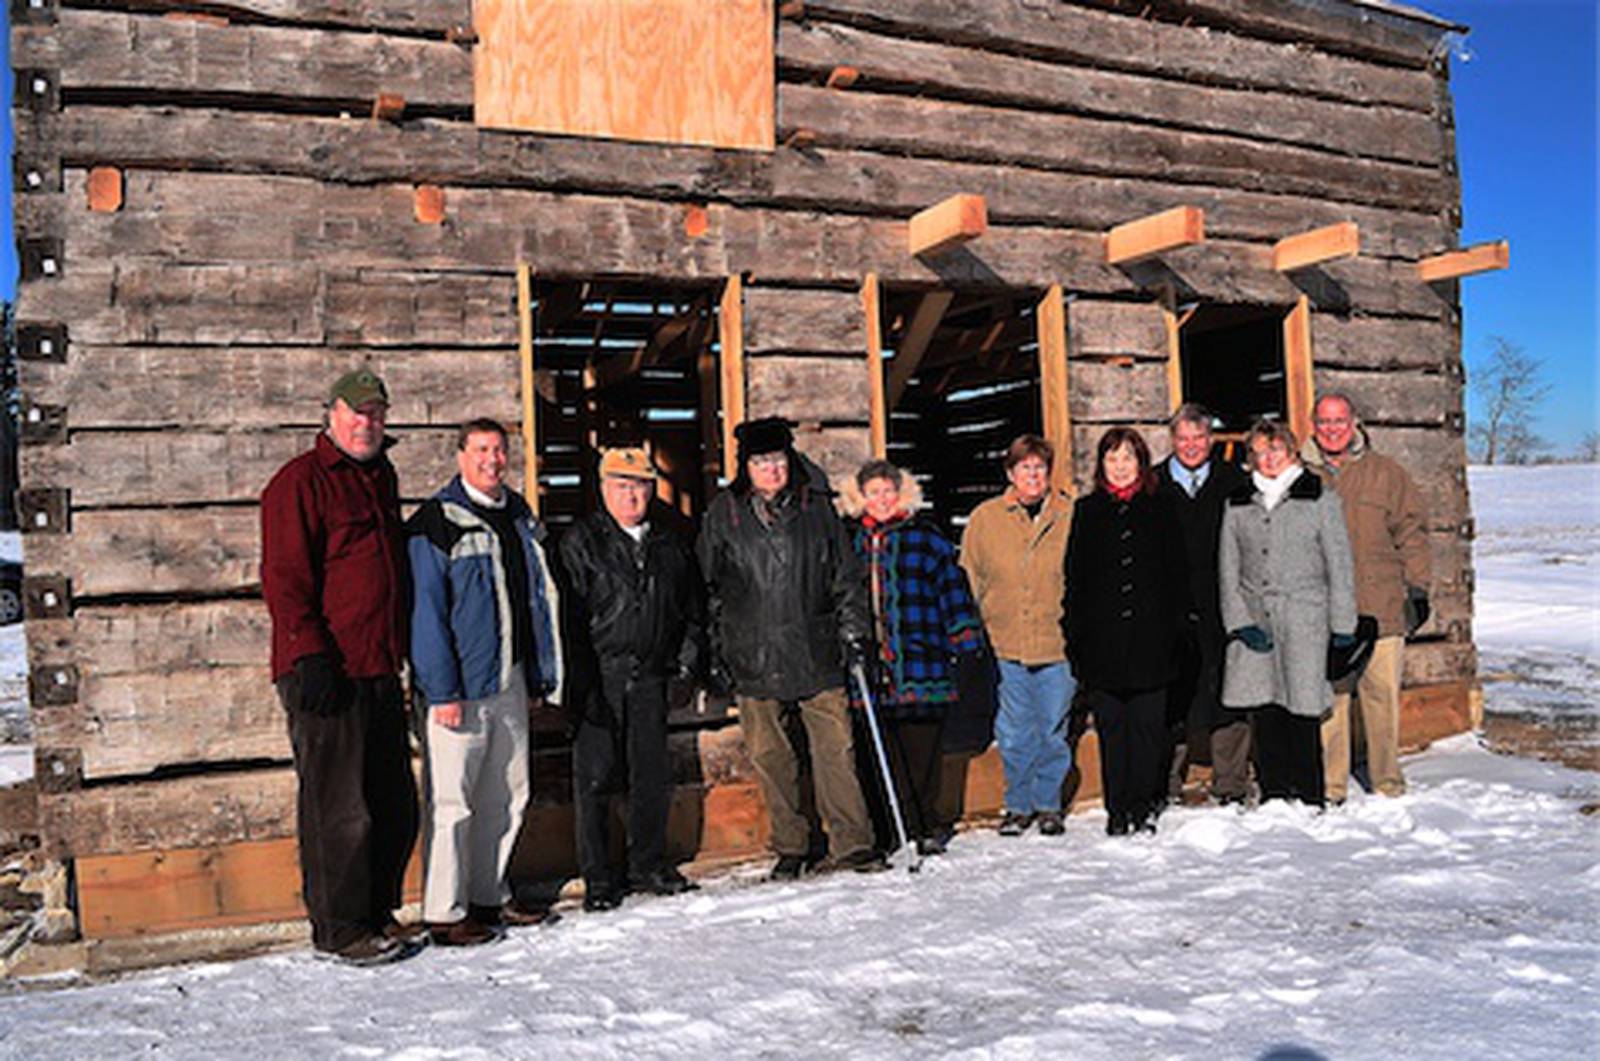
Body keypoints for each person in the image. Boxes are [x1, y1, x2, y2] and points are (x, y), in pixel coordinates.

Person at [260, 368, 420, 966]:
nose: (366, 423)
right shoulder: (298, 483)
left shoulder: (380, 478)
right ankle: (339, 927)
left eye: (376, 414)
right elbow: (283, 578)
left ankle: (378, 913)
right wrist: (308, 655)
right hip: (327, 671)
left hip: (378, 666)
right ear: (330, 414)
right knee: (338, 808)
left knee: (393, 802)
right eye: (356, 413)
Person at [697, 418, 884, 879]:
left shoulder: (816, 509)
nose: (772, 470)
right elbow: (707, 590)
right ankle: (792, 846)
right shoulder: (724, 514)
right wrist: (715, 654)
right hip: (753, 653)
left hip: (817, 649)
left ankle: (853, 843)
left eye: (778, 460)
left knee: (835, 751)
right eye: (762, 462)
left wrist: (856, 634)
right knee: (772, 759)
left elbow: (846, 580)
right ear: (747, 467)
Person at [408, 418, 564, 945]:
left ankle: (488, 895)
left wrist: (540, 674)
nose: (491, 460)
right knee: (453, 802)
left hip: (511, 676)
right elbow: (426, 613)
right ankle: (444, 912)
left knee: (508, 793)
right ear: (460, 456)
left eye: (498, 451)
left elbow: (536, 601)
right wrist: (442, 690)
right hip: (462, 687)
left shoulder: (519, 515)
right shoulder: (437, 521)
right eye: (480, 450)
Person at [560, 447, 706, 911]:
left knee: (650, 777)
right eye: (622, 485)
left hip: (650, 676)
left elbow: (694, 612)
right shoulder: (581, 542)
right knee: (596, 779)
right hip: (601, 675)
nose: (632, 495)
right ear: (603, 488)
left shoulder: (670, 545)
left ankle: (646, 864)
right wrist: (579, 683)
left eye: (640, 485)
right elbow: (567, 619)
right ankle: (599, 877)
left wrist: (686, 664)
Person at [840, 460, 985, 855]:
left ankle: (924, 825)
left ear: (902, 494)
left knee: (921, 751)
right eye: (873, 492)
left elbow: (952, 589)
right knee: (880, 751)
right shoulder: (849, 542)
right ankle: (890, 828)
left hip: (923, 660)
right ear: (861, 498)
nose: (882, 499)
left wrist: (964, 638)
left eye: (889, 491)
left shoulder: (927, 538)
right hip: (869, 666)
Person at [1220, 419, 1357, 806]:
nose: (1269, 459)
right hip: (1256, 618)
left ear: (1292, 452)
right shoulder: (1238, 503)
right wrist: (1240, 621)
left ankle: (1310, 794)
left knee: (1303, 706)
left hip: (1305, 618)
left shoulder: (1320, 498)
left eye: (1275, 450)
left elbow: (1340, 566)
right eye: (1260, 452)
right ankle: (1275, 793)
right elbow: (1227, 569)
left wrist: (1342, 625)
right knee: (1266, 710)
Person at [1303, 393, 1430, 803]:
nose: (1332, 429)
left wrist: (1418, 588)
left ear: (1355, 422)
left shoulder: (1386, 473)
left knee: (1380, 698)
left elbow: (1412, 533)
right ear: (1313, 426)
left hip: (1382, 604)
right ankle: (1331, 786)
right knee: (1332, 702)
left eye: (1340, 421)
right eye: (1324, 422)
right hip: (1325, 611)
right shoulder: (1299, 476)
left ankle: (1388, 784)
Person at [1064, 428, 1190, 835]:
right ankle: (1118, 808)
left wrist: (1175, 632)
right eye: (1112, 459)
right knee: (1112, 731)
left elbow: (1178, 576)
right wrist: (1076, 638)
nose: (1120, 467)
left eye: (1127, 458)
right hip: (1102, 645)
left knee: (1148, 731)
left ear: (1141, 462)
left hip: (1152, 642)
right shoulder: (1087, 512)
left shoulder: (1163, 507)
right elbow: (1075, 580)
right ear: (1102, 465)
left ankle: (1144, 804)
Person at [959, 435, 1077, 836]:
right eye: (1024, 468)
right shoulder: (986, 519)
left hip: (1056, 643)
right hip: (1004, 641)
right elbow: (969, 578)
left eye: (1039, 468)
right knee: (1013, 731)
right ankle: (1017, 804)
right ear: (1010, 473)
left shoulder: (1068, 515)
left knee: (1052, 728)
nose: (1032, 475)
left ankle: (1048, 804)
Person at [1155, 404, 1252, 805]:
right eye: (1183, 439)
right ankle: (1167, 783)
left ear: (1210, 440)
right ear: (1173, 441)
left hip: (1223, 604)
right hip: (1171, 608)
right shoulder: (1155, 483)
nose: (1191, 446)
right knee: (1172, 696)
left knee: (1230, 692)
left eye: (1199, 438)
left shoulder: (1233, 481)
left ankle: (1230, 783)